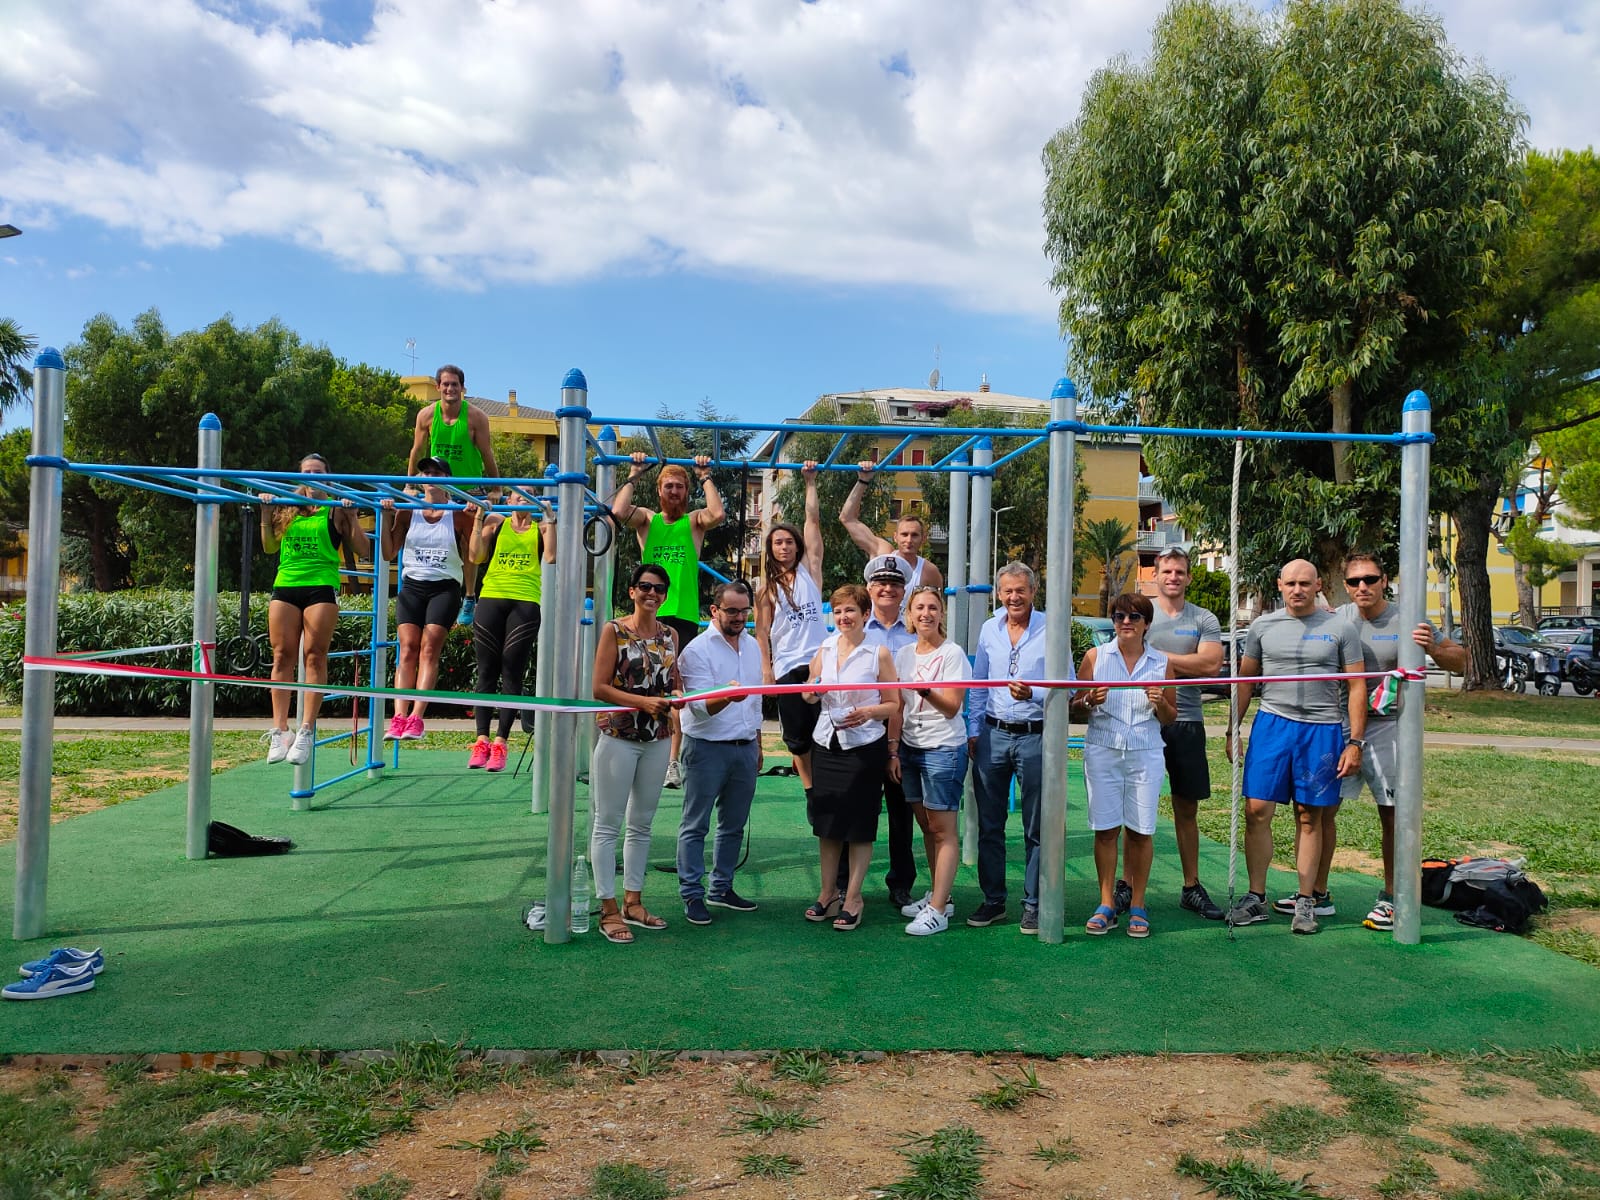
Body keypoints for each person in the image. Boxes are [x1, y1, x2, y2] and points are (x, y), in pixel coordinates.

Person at [1318, 551, 1465, 931]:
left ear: (1384, 581)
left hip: (1389, 726)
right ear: (1346, 585)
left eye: (1370, 579)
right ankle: (1316, 894)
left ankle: (1392, 896)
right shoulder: (1337, 618)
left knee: (1394, 814)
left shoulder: (1408, 619)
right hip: (1342, 724)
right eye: (1355, 581)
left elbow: (1461, 660)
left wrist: (1433, 648)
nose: (1363, 587)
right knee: (1322, 809)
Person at [1225, 559, 1367, 935]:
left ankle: (1306, 901)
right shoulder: (1262, 626)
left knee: (1309, 816)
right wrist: (1231, 729)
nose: (1297, 590)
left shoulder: (1340, 627)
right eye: (1290, 584)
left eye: (1305, 583)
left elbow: (1357, 686)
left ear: (1318, 585)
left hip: (1322, 730)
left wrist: (1355, 742)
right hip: (1272, 726)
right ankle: (1255, 897)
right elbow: (1245, 680)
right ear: (1280, 585)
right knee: (1256, 811)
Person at [612, 451, 725, 789]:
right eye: (668, 486)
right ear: (659, 490)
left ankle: (672, 762)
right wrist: (634, 473)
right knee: (639, 683)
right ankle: (637, 748)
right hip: (649, 614)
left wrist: (704, 475)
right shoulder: (648, 521)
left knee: (674, 687)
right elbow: (618, 511)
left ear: (686, 492)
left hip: (682, 616)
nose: (674, 492)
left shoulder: (693, 522)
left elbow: (717, 513)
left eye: (679, 487)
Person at [590, 562, 684, 945]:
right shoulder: (614, 630)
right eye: (645, 586)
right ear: (632, 591)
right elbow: (599, 687)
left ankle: (633, 902)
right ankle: (608, 908)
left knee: (642, 824)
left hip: (658, 738)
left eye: (659, 588)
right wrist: (642, 703)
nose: (652, 593)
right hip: (618, 736)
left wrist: (678, 696)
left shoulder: (670, 634)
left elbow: (674, 682)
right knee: (607, 824)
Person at [1075, 592, 1177, 938]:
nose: (1126, 622)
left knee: (1141, 830)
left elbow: (1170, 717)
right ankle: (1106, 903)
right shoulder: (1095, 657)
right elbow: (1075, 705)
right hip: (1103, 750)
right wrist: (1089, 699)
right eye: (1119, 616)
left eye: (1134, 617)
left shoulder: (1162, 663)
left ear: (1147, 624)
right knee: (1105, 829)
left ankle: (1138, 903)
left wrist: (1160, 702)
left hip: (1145, 752)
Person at [966, 562, 1059, 933]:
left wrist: (1033, 692)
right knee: (990, 824)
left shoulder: (1051, 628)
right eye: (1007, 591)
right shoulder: (990, 628)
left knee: (1037, 825)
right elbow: (979, 685)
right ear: (999, 594)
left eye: (1021, 590)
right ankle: (993, 900)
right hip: (993, 735)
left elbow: (1066, 683)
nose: (1014, 597)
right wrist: (974, 730)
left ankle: (1034, 903)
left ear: (1033, 591)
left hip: (1035, 736)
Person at [802, 584, 900, 932]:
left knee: (859, 825)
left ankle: (853, 898)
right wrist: (813, 693)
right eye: (839, 611)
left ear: (865, 615)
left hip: (864, 746)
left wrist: (869, 712)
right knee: (827, 825)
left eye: (850, 611)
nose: (844, 617)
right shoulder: (825, 648)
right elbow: (809, 693)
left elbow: (893, 703)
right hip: (826, 743)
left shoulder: (878, 653)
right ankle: (828, 893)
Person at [257, 453, 362, 766]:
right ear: (300, 476)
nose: (313, 477)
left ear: (328, 477)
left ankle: (306, 730)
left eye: (318, 472)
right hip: (286, 583)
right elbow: (269, 547)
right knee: (281, 655)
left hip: (320, 585)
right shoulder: (288, 505)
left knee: (314, 655)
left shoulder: (335, 508)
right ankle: (280, 730)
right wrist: (265, 513)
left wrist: (352, 516)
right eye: (307, 472)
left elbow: (363, 549)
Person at [676, 581, 765, 926]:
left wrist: (757, 741)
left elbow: (755, 700)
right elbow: (698, 709)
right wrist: (727, 696)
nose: (740, 617)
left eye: (745, 610)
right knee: (695, 825)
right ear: (714, 610)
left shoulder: (752, 646)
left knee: (734, 825)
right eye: (732, 611)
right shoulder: (696, 651)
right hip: (705, 748)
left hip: (744, 746)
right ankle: (692, 894)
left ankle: (721, 888)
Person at [1144, 547, 1226, 920]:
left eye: (1179, 572)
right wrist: (1183, 663)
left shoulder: (1203, 618)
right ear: (1155, 576)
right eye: (1167, 571)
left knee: (1186, 806)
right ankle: (1129, 884)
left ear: (1189, 577)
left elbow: (1210, 664)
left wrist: (1157, 659)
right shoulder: (1141, 612)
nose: (1173, 577)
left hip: (1188, 719)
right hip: (1142, 720)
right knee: (1137, 805)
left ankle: (1191, 886)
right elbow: (1127, 655)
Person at [893, 586, 971, 936]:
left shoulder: (953, 654)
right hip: (910, 748)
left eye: (933, 608)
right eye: (919, 608)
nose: (926, 613)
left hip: (943, 748)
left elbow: (953, 707)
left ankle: (938, 910)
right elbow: (898, 706)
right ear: (909, 615)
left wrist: (926, 691)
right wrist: (893, 749)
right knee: (927, 826)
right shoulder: (903, 654)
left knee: (943, 829)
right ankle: (941, 896)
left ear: (942, 614)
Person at [378, 456, 473, 741]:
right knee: (407, 648)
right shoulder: (408, 511)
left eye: (436, 472)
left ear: (448, 480)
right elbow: (388, 552)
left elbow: (475, 556)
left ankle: (417, 718)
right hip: (413, 586)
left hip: (444, 587)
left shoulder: (458, 514)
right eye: (426, 472)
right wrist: (385, 516)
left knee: (429, 649)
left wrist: (478, 515)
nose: (430, 477)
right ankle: (398, 717)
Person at [466, 488, 554, 773]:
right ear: (508, 500)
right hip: (492, 597)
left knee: (511, 670)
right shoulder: (496, 522)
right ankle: (481, 740)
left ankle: (501, 742)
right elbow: (475, 556)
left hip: (525, 602)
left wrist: (550, 519)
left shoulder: (541, 528)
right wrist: (478, 518)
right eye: (518, 493)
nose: (523, 496)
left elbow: (552, 556)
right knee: (486, 671)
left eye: (530, 493)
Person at [407, 365, 500, 625]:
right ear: (438, 387)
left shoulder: (476, 417)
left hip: (468, 487)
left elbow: (486, 452)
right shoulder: (427, 415)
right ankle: (427, 584)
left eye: (455, 384)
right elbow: (417, 449)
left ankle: (469, 595)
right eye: (446, 384)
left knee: (470, 541)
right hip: (439, 486)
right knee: (429, 532)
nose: (450, 389)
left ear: (462, 388)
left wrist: (496, 487)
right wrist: (409, 483)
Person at [755, 461, 827, 790]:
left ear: (797, 546)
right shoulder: (766, 589)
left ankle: (828, 786)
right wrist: (766, 670)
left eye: (788, 542)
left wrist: (810, 482)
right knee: (798, 739)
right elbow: (762, 632)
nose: (784, 547)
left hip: (818, 662)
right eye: (777, 543)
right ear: (770, 549)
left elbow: (812, 521)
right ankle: (811, 790)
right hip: (786, 665)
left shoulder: (810, 572)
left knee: (826, 729)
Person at [854, 553, 920, 910]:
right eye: (880, 583)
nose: (887, 589)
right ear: (869, 588)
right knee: (856, 811)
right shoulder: (856, 629)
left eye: (894, 584)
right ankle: (846, 884)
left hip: (905, 731)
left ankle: (901, 883)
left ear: (904, 590)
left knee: (901, 814)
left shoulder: (916, 630)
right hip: (862, 730)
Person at [840, 460, 944, 615]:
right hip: (875, 626)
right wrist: (863, 480)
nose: (909, 540)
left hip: (906, 629)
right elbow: (847, 518)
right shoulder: (883, 553)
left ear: (923, 538)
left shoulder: (929, 571)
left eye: (914, 535)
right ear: (895, 537)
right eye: (904, 534)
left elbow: (937, 609)